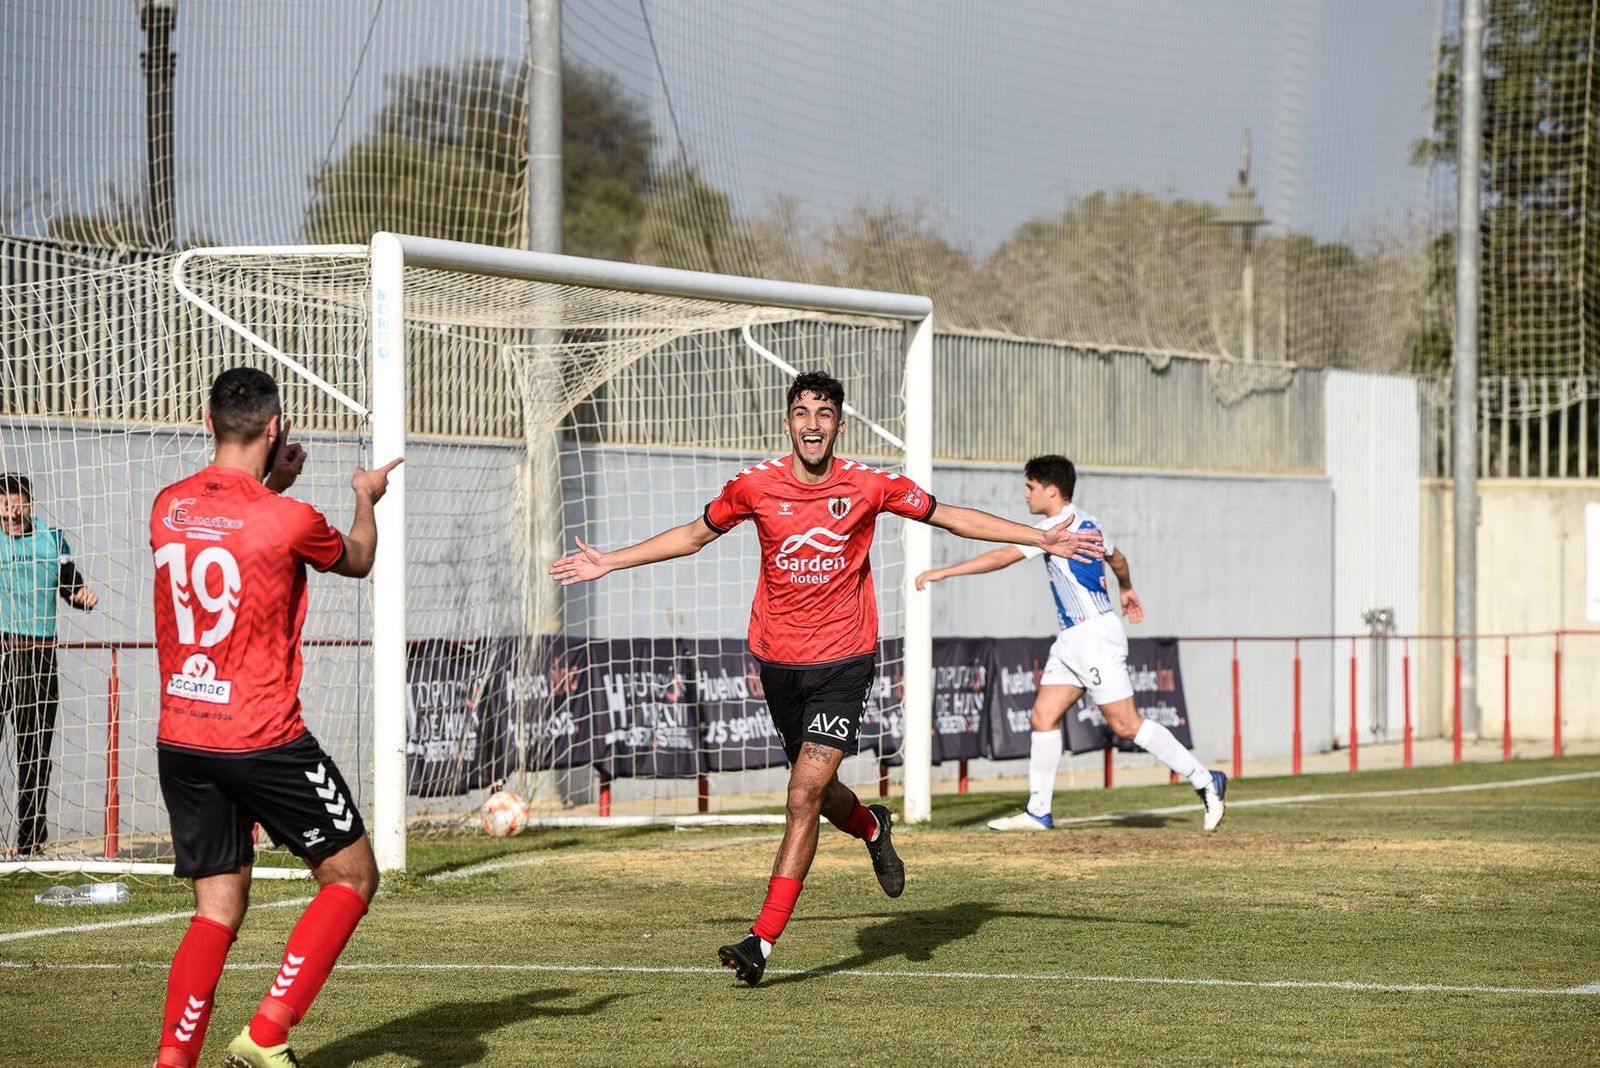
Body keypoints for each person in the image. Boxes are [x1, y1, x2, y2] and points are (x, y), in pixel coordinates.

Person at [550, 371, 1103, 986]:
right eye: (801, 412)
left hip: (845, 661)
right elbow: (692, 536)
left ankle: (760, 941)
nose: (812, 423)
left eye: (824, 413)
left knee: (801, 795)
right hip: (778, 662)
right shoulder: (755, 485)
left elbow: (950, 518)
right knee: (820, 792)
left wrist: (1040, 537)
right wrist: (609, 561)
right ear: (788, 422)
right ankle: (872, 825)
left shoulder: (869, 484)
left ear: (840, 423)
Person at [149, 368, 402, 1068]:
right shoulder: (288, 520)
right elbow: (356, 559)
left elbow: (229, 531)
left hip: (182, 736)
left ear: (207, 421)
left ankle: (172, 1062)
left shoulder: (166, 507)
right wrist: (364, 497)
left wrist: (273, 485)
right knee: (351, 877)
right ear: (276, 427)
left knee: (216, 912)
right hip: (260, 736)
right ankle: (264, 1037)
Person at [915, 454, 1226, 832]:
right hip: (1074, 638)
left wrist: (947, 571)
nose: (1025, 494)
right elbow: (1119, 558)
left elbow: (1003, 556)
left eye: (1030, 487)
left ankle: (1206, 779)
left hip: (1092, 635)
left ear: (1051, 489)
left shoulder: (1054, 527)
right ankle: (1038, 812)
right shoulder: (1089, 521)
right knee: (1042, 716)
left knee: (1126, 724)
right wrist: (1126, 588)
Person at [0, 472, 99, 858]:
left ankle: (29, 843)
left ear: (29, 505)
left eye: (16, 504)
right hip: (0, 647)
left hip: (37, 654)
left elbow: (70, 587)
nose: (10, 512)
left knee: (35, 750)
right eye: (4, 505)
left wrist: (81, 596)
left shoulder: (53, 541)